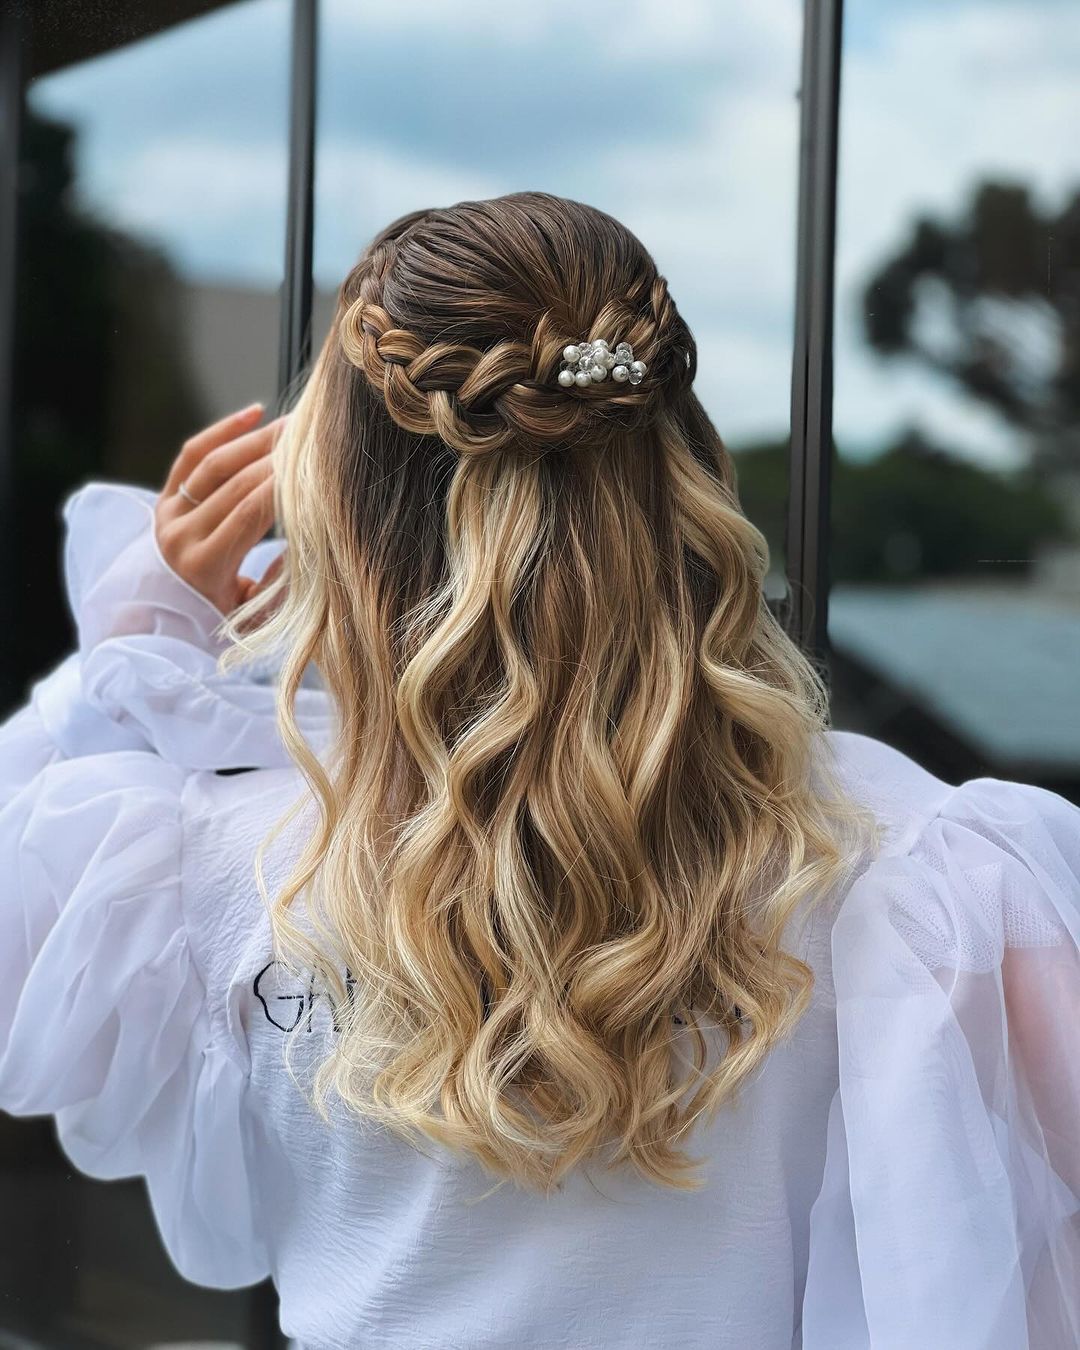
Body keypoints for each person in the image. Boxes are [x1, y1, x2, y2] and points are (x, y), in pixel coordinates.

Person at [0, 192, 1077, 1350]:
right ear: (683, 478)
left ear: (345, 513)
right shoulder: (911, 865)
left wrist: (126, 657)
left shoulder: (202, 860)